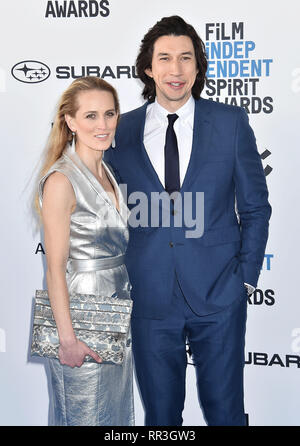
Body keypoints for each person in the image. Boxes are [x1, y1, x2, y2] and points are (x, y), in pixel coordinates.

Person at [104, 16, 271, 426]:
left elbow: (255, 207)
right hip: (149, 296)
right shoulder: (119, 132)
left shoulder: (231, 123)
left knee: (225, 413)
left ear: (198, 67)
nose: (175, 70)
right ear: (148, 67)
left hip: (219, 293)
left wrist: (245, 278)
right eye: (164, 58)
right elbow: (108, 212)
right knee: (160, 417)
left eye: (185, 58)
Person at [34, 76, 134, 426]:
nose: (103, 125)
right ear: (70, 121)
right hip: (79, 316)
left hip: (115, 313)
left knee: (113, 416)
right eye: (90, 116)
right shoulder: (61, 179)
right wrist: (67, 339)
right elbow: (55, 267)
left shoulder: (107, 171)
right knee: (83, 416)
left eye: (109, 114)